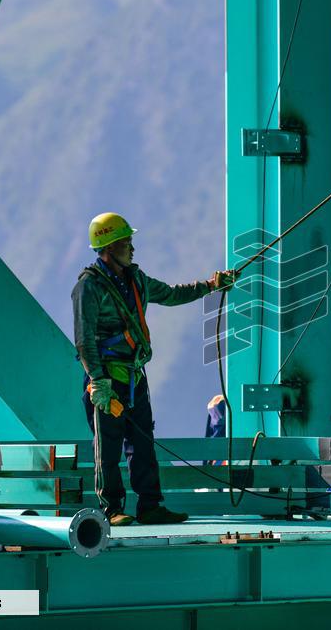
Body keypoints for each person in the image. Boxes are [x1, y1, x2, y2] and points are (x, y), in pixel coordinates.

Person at [73, 212, 236, 526]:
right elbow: (84, 340)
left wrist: (212, 285)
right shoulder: (88, 287)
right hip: (107, 380)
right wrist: (98, 380)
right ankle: (111, 510)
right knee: (108, 447)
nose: (132, 248)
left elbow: (172, 294)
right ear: (109, 247)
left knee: (142, 444)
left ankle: (150, 506)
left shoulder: (136, 280)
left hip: (134, 377)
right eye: (126, 242)